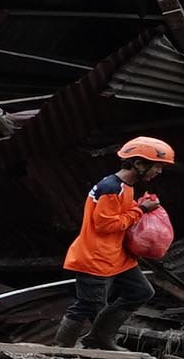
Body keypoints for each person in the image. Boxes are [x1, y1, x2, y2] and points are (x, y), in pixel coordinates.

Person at [54, 135, 174, 348]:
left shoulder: (125, 186)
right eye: (157, 166)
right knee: (87, 304)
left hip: (116, 256)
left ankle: (99, 338)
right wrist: (141, 209)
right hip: (95, 257)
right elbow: (106, 225)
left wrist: (138, 206)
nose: (159, 171)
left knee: (141, 292)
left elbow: (118, 215)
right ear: (138, 164)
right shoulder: (111, 188)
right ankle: (61, 347)